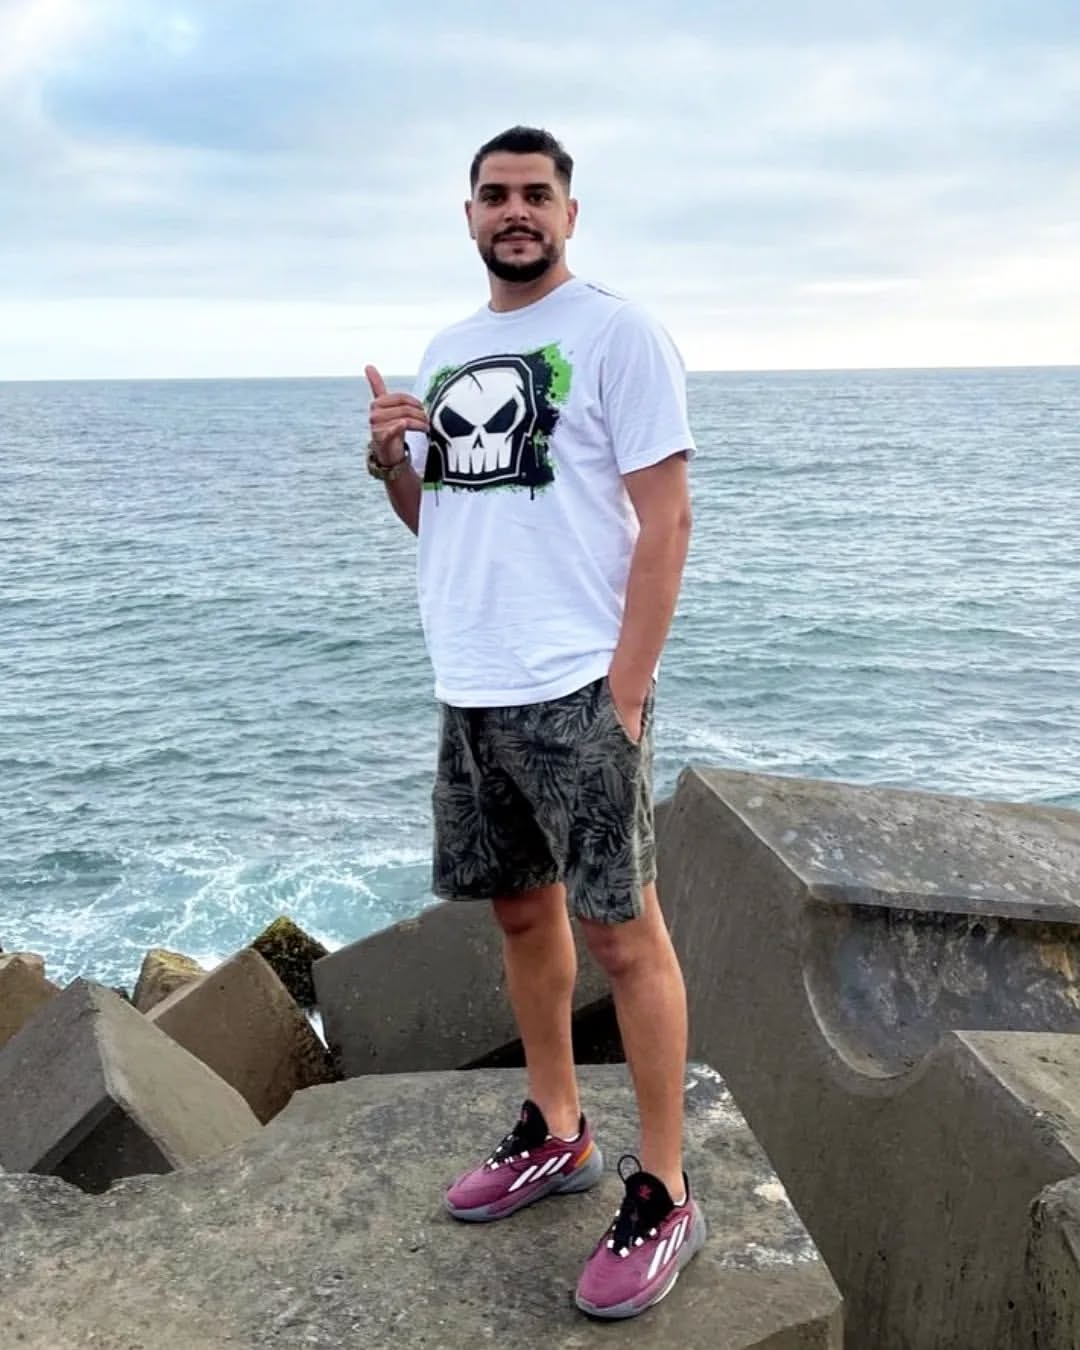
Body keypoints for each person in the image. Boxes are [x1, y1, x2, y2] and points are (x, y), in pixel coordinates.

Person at [364, 125, 702, 1321]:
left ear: (568, 213)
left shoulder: (619, 333)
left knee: (624, 935)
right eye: (495, 194)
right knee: (519, 911)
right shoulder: (448, 349)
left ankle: (666, 1188)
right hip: (472, 681)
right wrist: (393, 465)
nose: (516, 210)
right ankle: (559, 1129)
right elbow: (449, 520)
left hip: (575, 683)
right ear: (468, 215)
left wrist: (626, 691)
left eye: (536, 194)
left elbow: (667, 519)